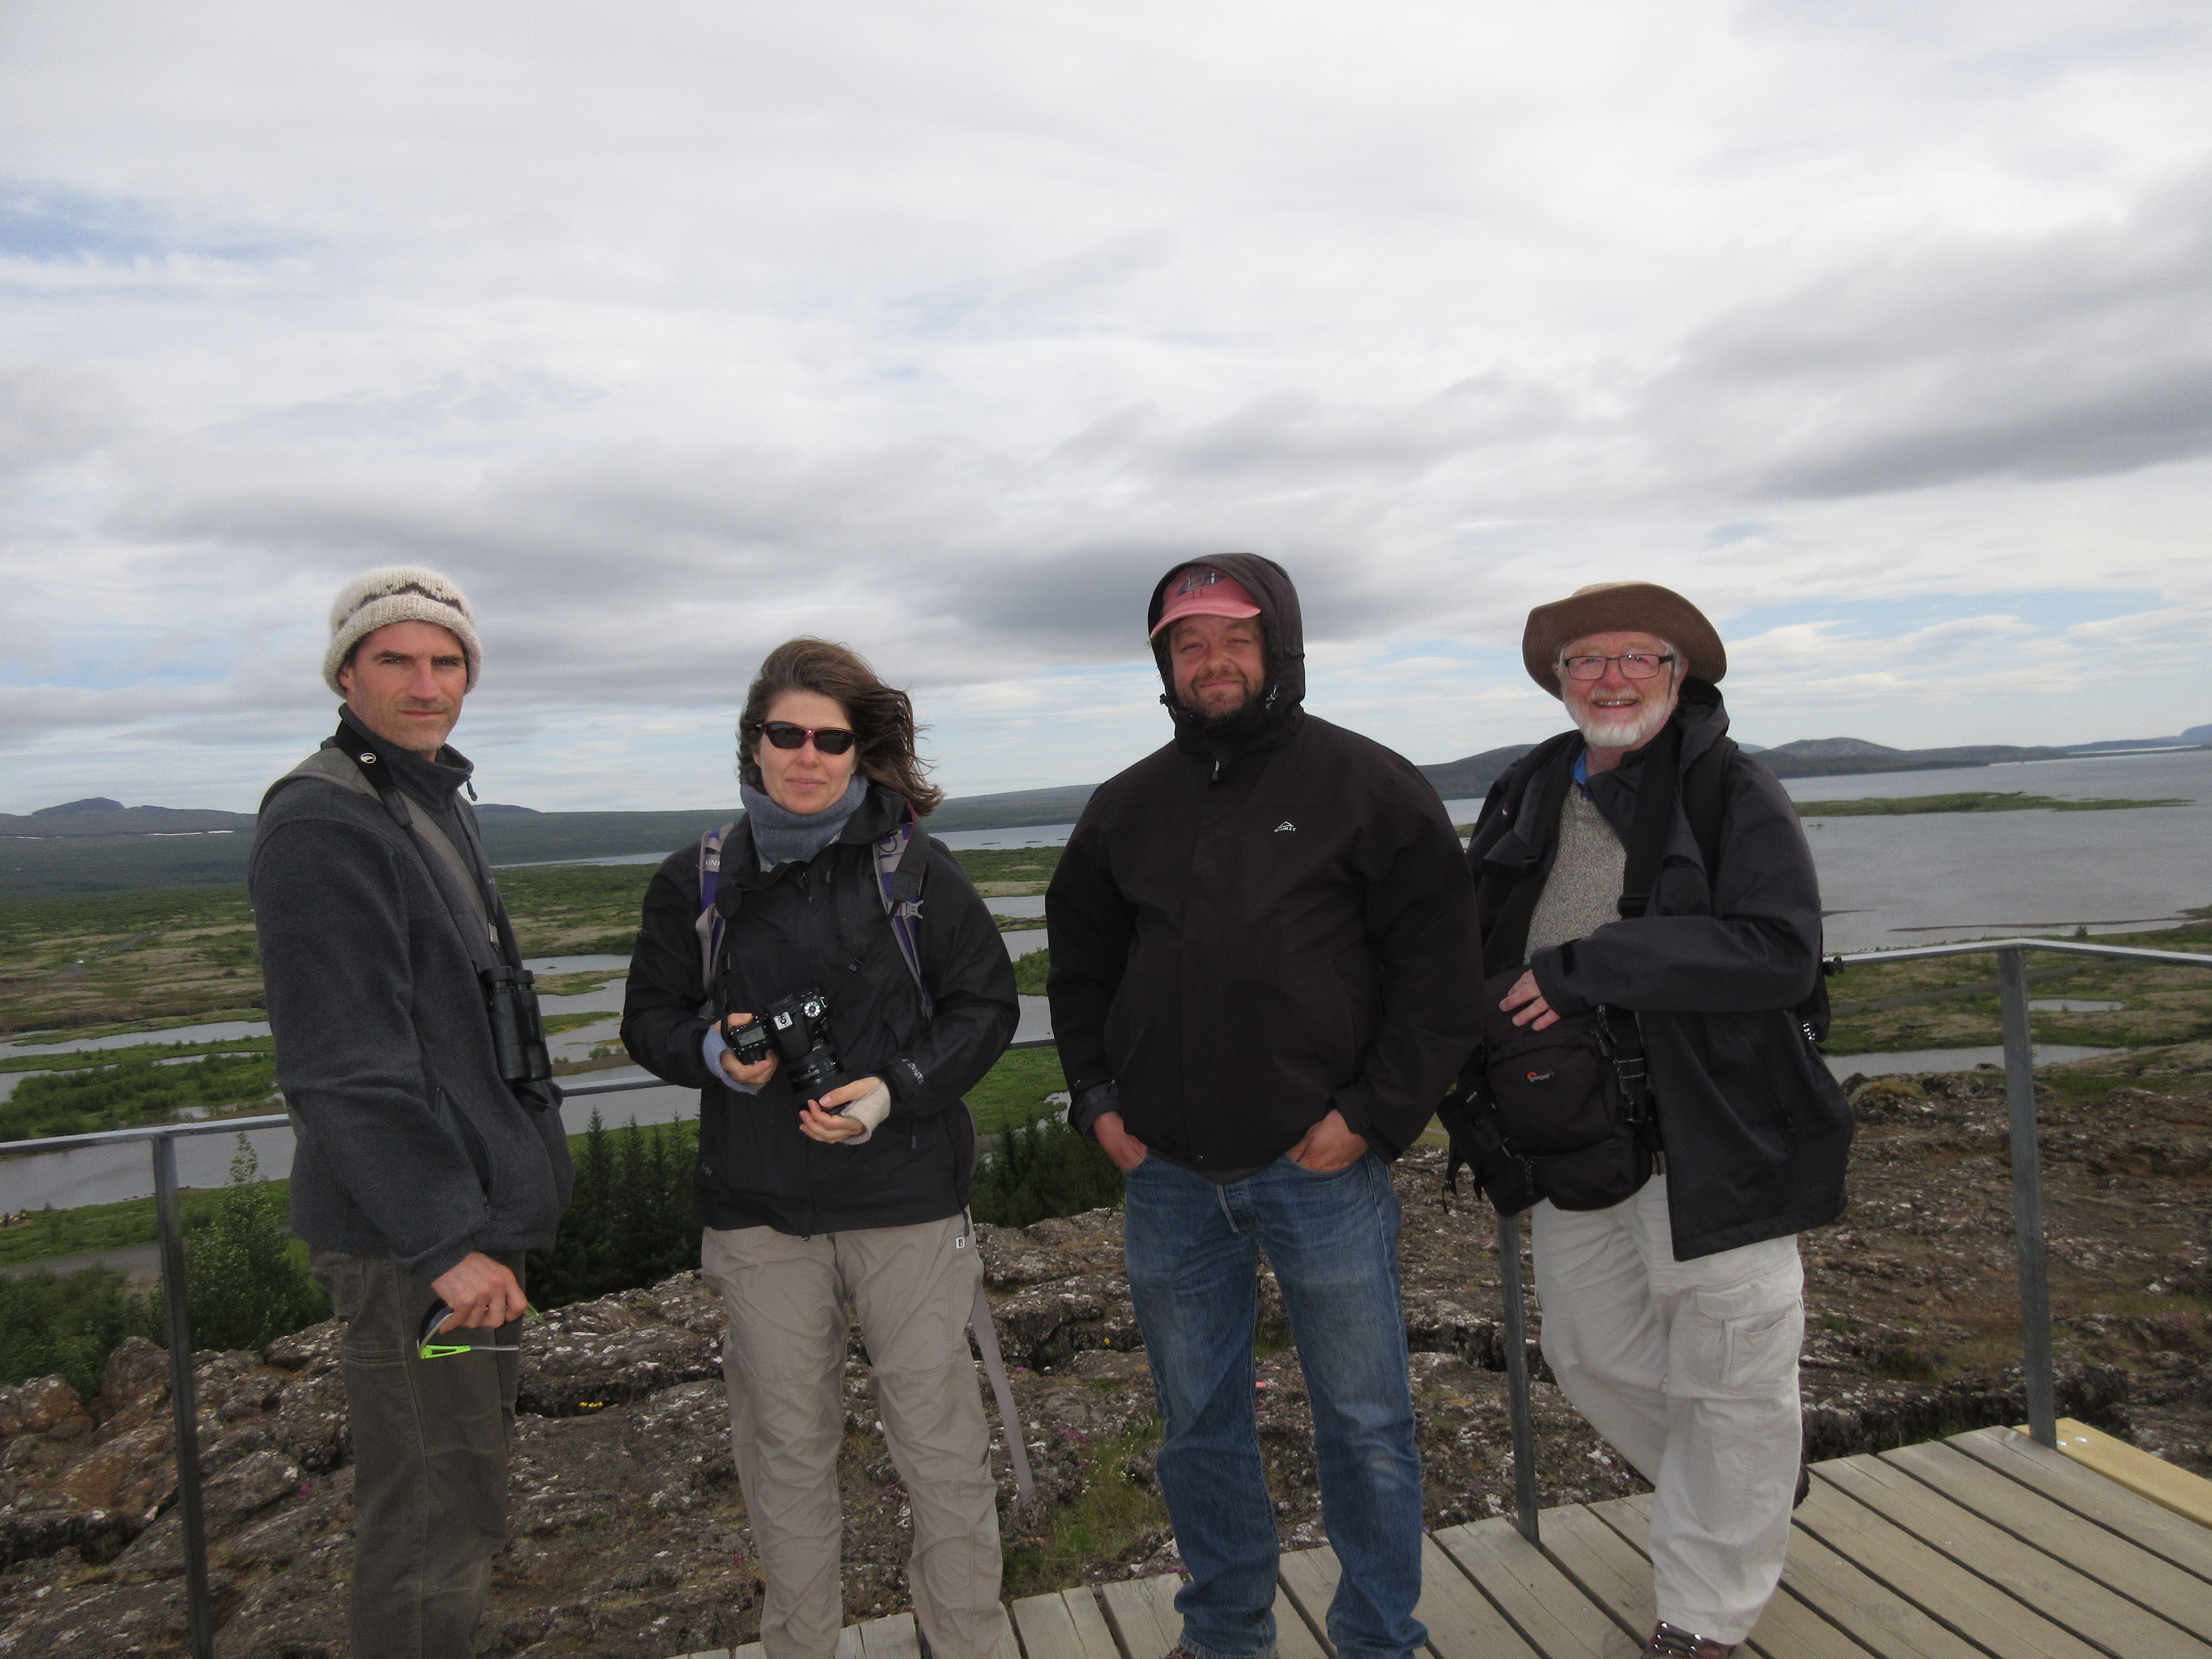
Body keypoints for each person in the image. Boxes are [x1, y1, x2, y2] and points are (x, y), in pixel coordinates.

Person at [1046, 557, 1483, 1659]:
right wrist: (1098, 1101)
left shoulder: (1368, 785)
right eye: (1188, 645)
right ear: (1164, 666)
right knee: (1198, 1425)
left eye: (1234, 639)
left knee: (1367, 1423)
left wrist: (1373, 1115)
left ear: (1277, 647)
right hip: (1170, 1177)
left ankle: (1378, 1638)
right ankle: (1226, 1634)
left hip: (1320, 1167)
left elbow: (1440, 973)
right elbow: (1081, 971)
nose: (1212, 662)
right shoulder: (1125, 808)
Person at [1461, 582, 1852, 1659]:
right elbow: (1471, 934)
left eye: (1638, 657)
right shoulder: (1527, 789)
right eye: (1587, 661)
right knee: (1589, 1354)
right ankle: (1754, 1477)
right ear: (1559, 680)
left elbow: (1779, 951)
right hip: (1578, 1134)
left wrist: (1588, 969)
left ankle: (1703, 1617)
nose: (1612, 678)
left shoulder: (1732, 790)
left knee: (1732, 1375)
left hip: (1715, 1129)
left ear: (1679, 676)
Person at [620, 638, 1020, 1659]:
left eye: (831, 739)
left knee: (939, 1445)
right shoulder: (696, 879)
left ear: (859, 751)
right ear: (753, 743)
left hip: (906, 1202)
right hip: (761, 1216)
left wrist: (892, 1092)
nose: (807, 756)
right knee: (785, 1456)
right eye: (786, 734)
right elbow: (648, 1019)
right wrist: (712, 1051)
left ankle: (966, 1645)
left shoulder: (915, 869)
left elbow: (986, 1007)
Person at [251, 566, 573, 1659]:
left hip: (455, 1226)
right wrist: (444, 1243)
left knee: (462, 1487)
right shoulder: (324, 819)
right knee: (435, 1510)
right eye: (395, 659)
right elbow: (342, 1063)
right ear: (346, 674)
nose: (426, 684)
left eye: (446, 661)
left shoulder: (420, 797)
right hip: (415, 1250)